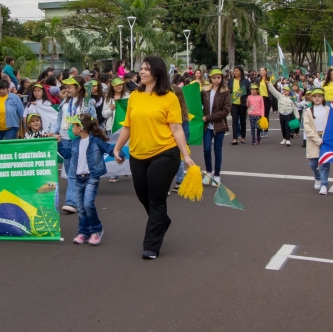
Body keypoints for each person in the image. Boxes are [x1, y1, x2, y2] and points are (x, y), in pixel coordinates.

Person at [113, 56, 194, 260]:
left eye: (147, 69)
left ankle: (151, 245)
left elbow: (176, 128)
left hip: (165, 153)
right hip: (137, 154)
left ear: (157, 73)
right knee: (143, 196)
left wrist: (185, 155)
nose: (142, 72)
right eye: (142, 68)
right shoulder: (135, 96)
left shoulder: (169, 97)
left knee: (157, 199)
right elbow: (127, 126)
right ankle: (161, 222)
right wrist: (117, 148)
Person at [57, 114, 116, 245]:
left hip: (92, 177)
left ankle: (96, 230)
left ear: (80, 128)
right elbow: (66, 154)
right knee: (81, 207)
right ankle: (83, 232)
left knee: (88, 204)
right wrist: (59, 143)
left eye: (73, 125)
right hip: (79, 178)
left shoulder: (95, 140)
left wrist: (118, 154)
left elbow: (110, 148)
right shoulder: (75, 142)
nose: (72, 128)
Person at [53, 76, 96, 213]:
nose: (67, 89)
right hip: (65, 138)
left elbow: (93, 121)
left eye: (71, 87)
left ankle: (71, 202)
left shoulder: (86, 104)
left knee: (72, 171)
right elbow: (59, 121)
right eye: (66, 87)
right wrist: (52, 132)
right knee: (72, 170)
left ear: (79, 88)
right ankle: (79, 199)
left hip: (78, 139)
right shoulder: (64, 104)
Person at [201, 69, 231, 185]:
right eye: (214, 78)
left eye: (218, 77)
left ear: (222, 78)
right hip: (207, 126)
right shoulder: (205, 91)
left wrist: (208, 118)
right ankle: (209, 173)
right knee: (207, 149)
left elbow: (226, 110)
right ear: (210, 78)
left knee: (217, 151)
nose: (216, 80)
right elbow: (198, 104)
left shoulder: (225, 91)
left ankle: (217, 174)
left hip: (219, 125)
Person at [302, 88, 331, 195]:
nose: (317, 98)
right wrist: (317, 139)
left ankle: (324, 184)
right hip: (313, 140)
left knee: (324, 163)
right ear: (311, 98)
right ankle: (317, 178)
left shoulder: (328, 109)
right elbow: (307, 127)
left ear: (323, 97)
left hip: (326, 139)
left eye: (319, 96)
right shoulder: (308, 111)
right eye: (315, 96)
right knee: (313, 164)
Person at [228, 66, 251, 145]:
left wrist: (248, 101)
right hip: (234, 104)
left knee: (242, 121)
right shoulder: (231, 81)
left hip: (242, 103)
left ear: (241, 72)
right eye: (234, 71)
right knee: (234, 121)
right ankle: (235, 138)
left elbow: (248, 92)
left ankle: (243, 137)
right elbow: (228, 92)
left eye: (237, 71)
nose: (235, 72)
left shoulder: (246, 81)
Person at [255, 67, 272, 137]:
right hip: (260, 99)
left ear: (265, 71)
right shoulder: (258, 80)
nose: (261, 72)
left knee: (266, 115)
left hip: (267, 98)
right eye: (260, 70)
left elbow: (272, 88)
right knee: (260, 115)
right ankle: (261, 130)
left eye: (262, 70)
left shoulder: (269, 79)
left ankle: (265, 130)